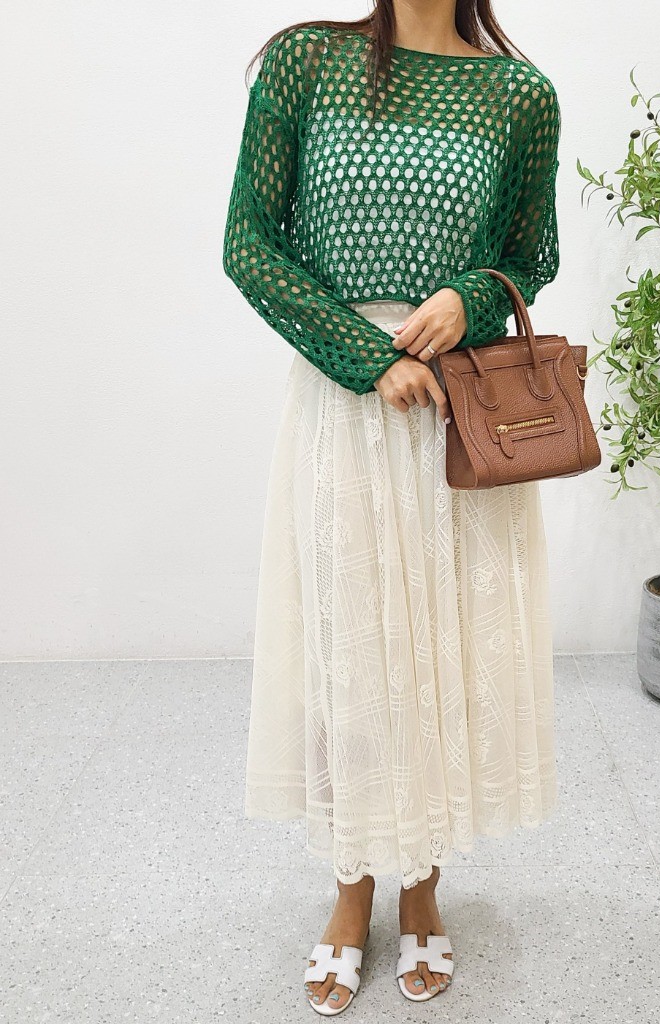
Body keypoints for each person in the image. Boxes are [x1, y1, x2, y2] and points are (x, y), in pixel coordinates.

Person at [222, 1, 561, 1014]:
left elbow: (530, 254)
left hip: (460, 413)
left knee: (442, 650)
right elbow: (249, 244)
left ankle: (420, 887)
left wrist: (470, 296)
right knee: (350, 652)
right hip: (346, 405)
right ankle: (349, 889)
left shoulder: (519, 94)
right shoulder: (305, 63)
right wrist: (365, 357)